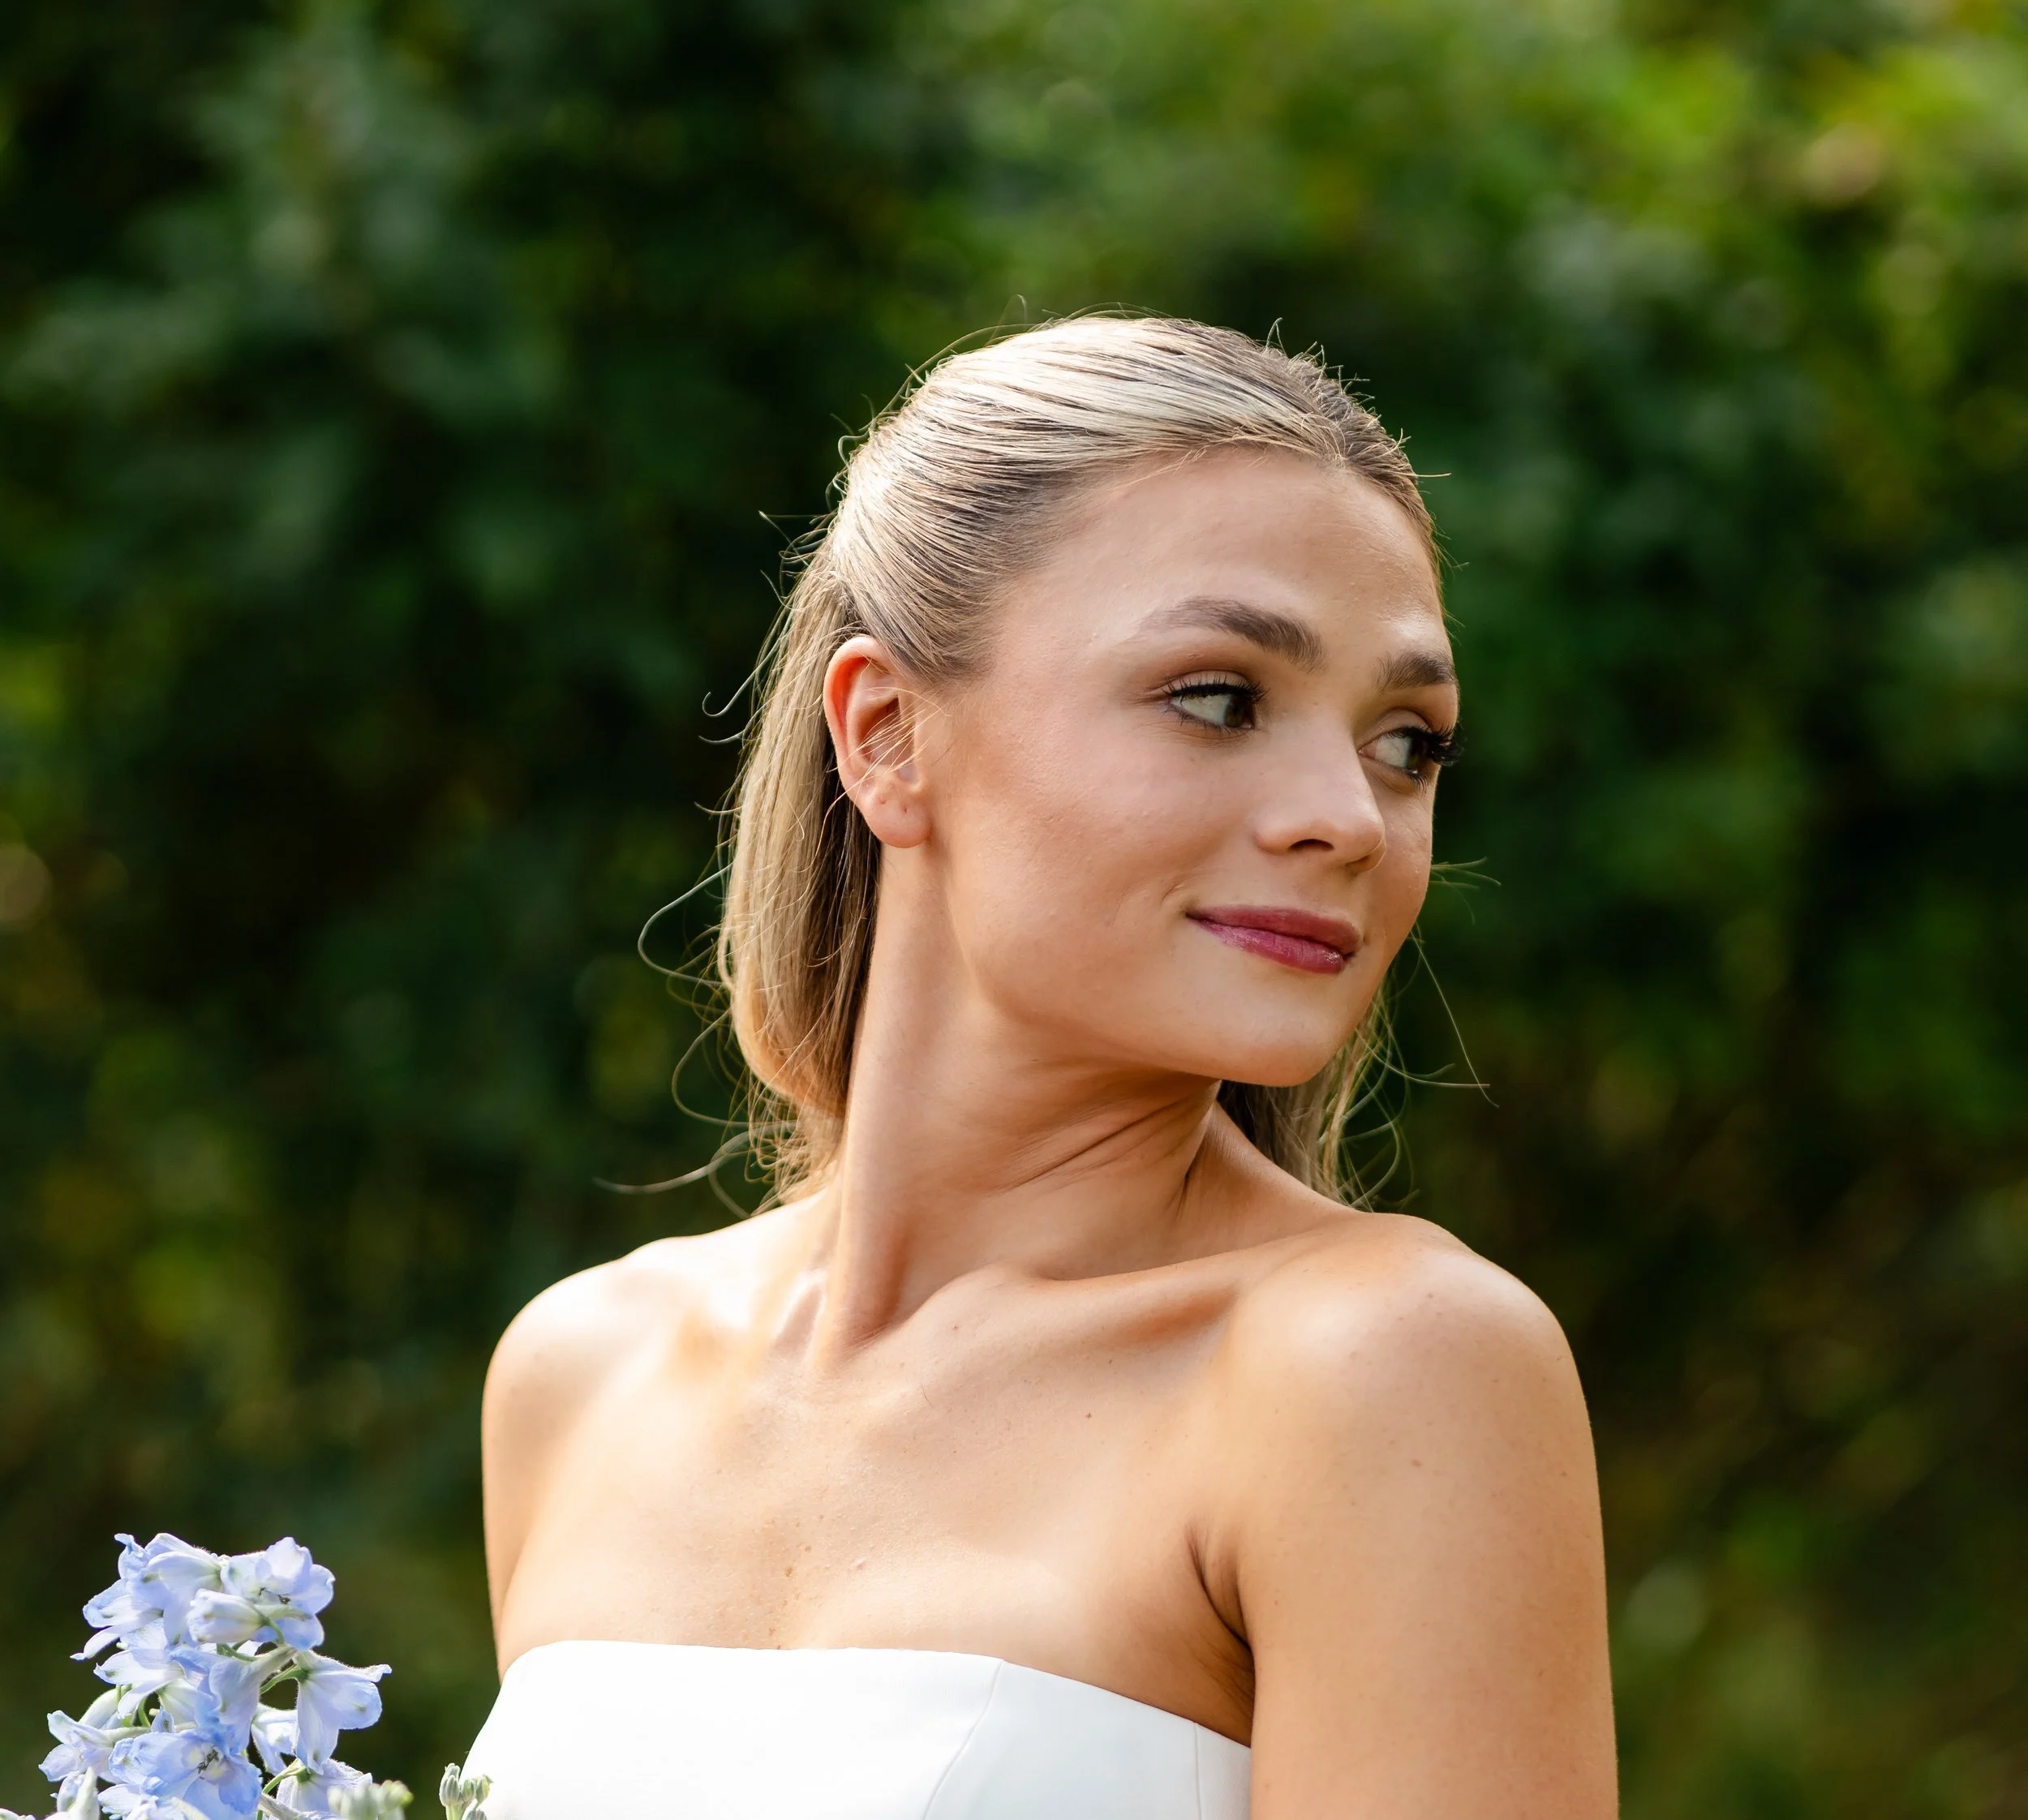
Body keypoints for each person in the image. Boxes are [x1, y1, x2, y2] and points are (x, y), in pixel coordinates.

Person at [462, 317, 1617, 1818]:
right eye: (1218, 697)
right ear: (888, 737)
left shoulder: (1382, 1367)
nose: (1348, 813)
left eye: (1410, 742)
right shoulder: (584, 1373)